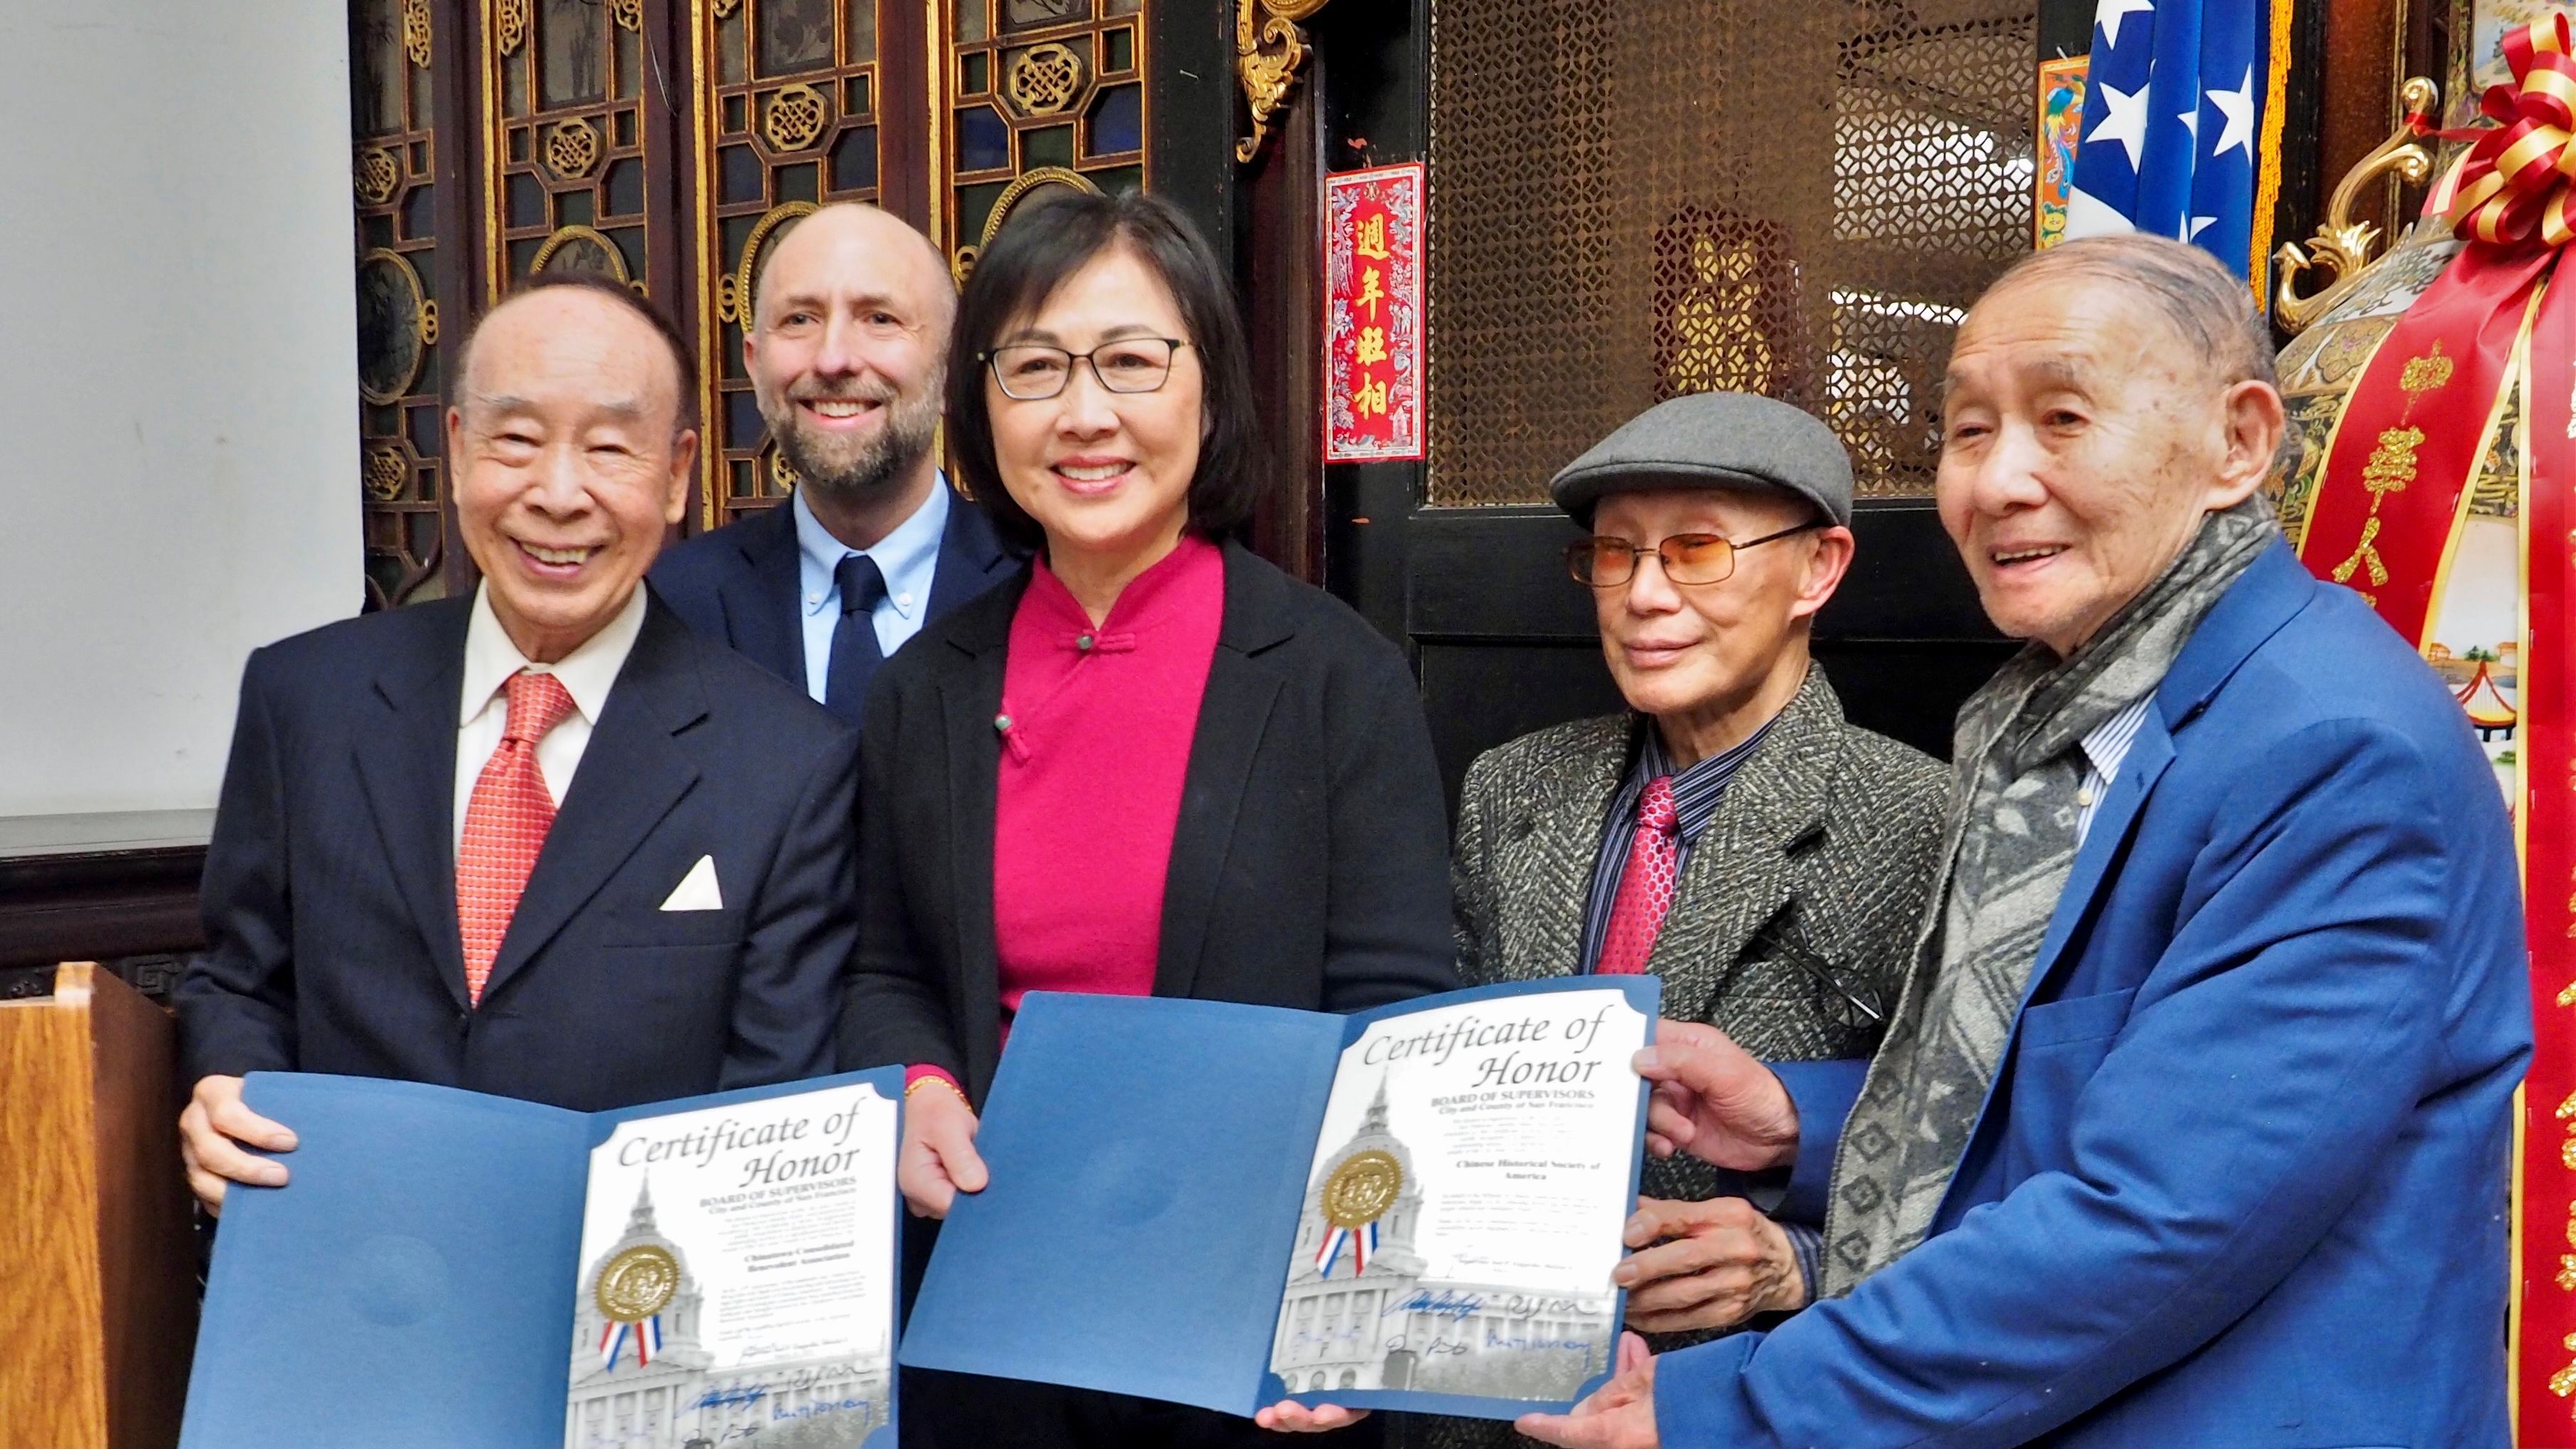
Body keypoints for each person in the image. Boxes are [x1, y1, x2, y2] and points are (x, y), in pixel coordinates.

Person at [1514, 234, 2530, 1448]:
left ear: (2238, 442)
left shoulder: (2328, 747)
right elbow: (2067, 1090)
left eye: (2060, 418)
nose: (1995, 482)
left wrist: (1728, 1406)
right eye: (1964, 429)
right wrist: (1800, 1120)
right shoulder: (2062, 709)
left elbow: (2154, 1217)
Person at [840, 188, 1456, 1447]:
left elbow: (1394, 1013)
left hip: (1251, 1321)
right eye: (1033, 366)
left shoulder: (1334, 676)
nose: (1083, 412)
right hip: (991, 1298)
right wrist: (914, 1083)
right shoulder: (923, 689)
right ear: (981, 404)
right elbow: (882, 962)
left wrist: (1351, 1300)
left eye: (1129, 360)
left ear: (1209, 389)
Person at [175, 275, 859, 1212]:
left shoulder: (786, 765)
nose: (558, 493)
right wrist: (223, 1084)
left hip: (619, 1313)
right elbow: (241, 978)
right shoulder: (306, 699)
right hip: (340, 1266)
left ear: (675, 473)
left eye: (611, 447)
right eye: (518, 439)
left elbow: (768, 1100)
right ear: (456, 450)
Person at [1401, 394, 1949, 1449]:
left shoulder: (1921, 822)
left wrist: (1790, 1262)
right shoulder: (1514, 787)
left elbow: (1985, 1166)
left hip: (1735, 1405)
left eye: (1695, 551)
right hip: (1484, 1404)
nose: (1644, 595)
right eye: (1614, 554)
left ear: (1819, 568)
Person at [651, 203, 1017, 723]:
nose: (832, 359)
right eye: (799, 319)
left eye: (879, 319)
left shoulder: (1037, 585)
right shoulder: (675, 604)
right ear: (754, 366)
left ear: (950, 368)